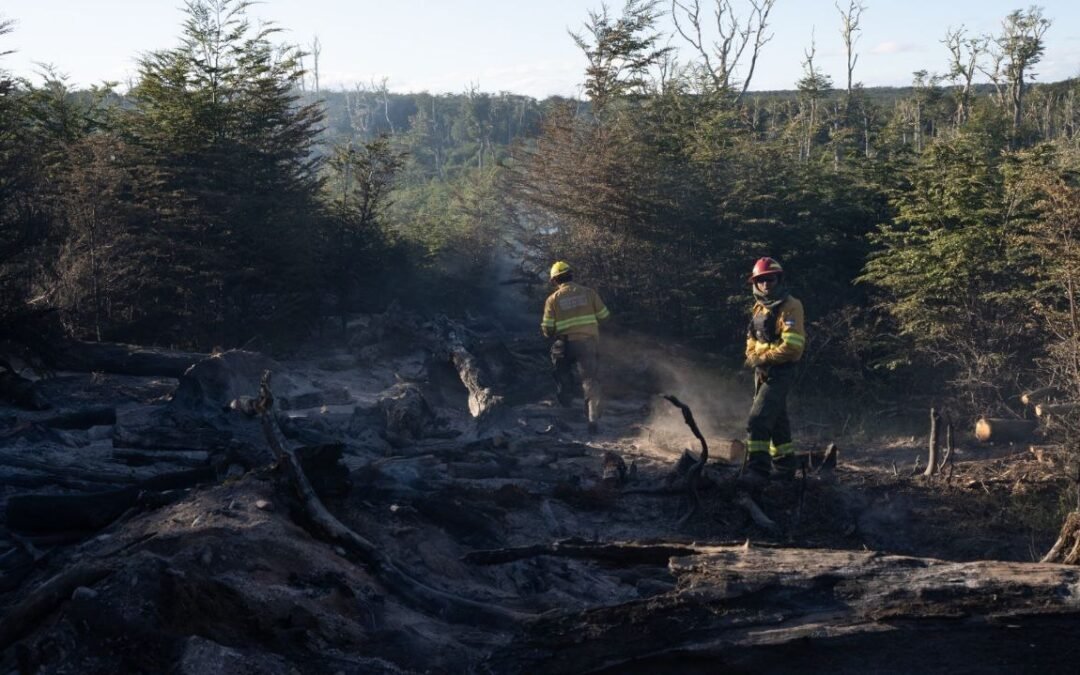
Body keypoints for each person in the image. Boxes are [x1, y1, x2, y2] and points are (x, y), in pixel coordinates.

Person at [743, 257, 806, 482]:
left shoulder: (791, 306)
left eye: (770, 279)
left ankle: (757, 471)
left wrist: (764, 359)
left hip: (781, 371)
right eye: (761, 280)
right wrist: (752, 357)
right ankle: (785, 467)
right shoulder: (759, 307)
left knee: (758, 420)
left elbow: (793, 347)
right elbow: (752, 338)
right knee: (777, 419)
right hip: (761, 371)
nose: (766, 284)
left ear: (779, 279)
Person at [541, 261, 611, 434]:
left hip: (564, 344)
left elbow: (548, 329)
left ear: (555, 280)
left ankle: (566, 408)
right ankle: (592, 417)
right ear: (571, 275)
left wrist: (552, 332)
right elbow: (605, 316)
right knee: (589, 380)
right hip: (587, 343)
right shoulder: (589, 293)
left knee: (562, 374)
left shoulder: (553, 300)